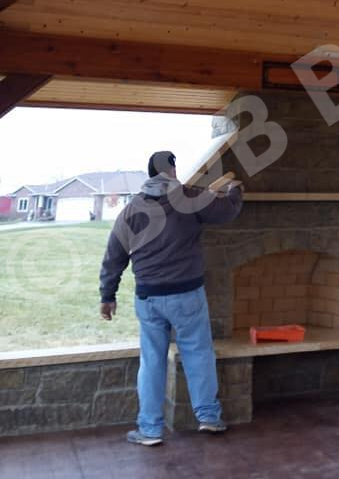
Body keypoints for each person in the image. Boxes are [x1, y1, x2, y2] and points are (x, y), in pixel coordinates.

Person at [99, 150, 243, 446]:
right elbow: (227, 210)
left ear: (150, 173)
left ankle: (150, 430)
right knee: (198, 352)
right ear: (172, 171)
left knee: (152, 361)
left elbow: (114, 256)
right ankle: (209, 417)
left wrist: (108, 295)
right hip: (186, 294)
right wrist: (235, 190)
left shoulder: (131, 210)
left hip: (149, 297)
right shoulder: (188, 199)